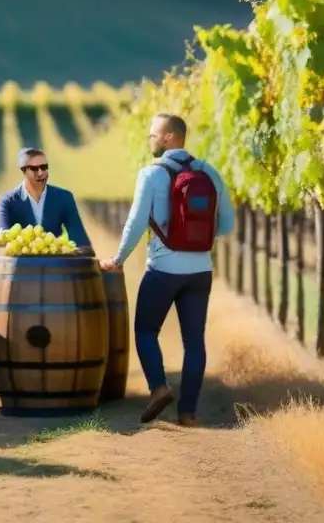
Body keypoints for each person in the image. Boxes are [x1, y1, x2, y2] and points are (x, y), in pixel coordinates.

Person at [100, 113, 235, 428]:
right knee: (194, 341)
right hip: (200, 270)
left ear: (170, 136)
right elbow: (227, 223)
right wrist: (196, 240)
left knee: (146, 330)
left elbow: (135, 223)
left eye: (154, 135)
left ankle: (159, 387)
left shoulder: (151, 174)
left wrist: (118, 259)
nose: (150, 140)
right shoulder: (209, 172)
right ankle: (188, 413)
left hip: (163, 269)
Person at [0, 147, 93, 254]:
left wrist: (72, 252)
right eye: (34, 169)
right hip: (20, 268)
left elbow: (82, 242)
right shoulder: (8, 201)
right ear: (23, 170)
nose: (41, 173)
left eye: (44, 167)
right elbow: (1, 241)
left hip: (55, 266)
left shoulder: (64, 197)